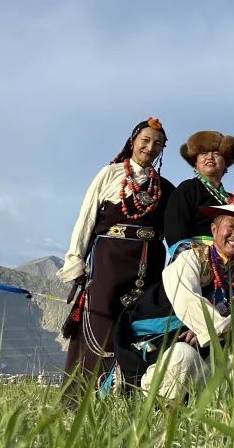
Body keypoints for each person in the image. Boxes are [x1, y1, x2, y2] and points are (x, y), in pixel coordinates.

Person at [58, 117, 174, 401]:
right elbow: (86, 217)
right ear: (132, 141)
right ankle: (84, 398)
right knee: (101, 323)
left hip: (148, 264)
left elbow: (173, 231)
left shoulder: (165, 188)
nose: (150, 147)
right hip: (109, 259)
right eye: (145, 140)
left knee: (137, 324)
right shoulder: (110, 174)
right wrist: (75, 259)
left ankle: (127, 395)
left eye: (158, 144)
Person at [114, 204, 234, 401]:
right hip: (163, 343)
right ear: (214, 229)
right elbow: (186, 299)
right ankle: (157, 407)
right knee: (184, 354)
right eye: (231, 226)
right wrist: (225, 331)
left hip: (211, 351)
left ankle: (220, 413)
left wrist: (233, 337)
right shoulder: (191, 258)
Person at [163, 130, 234, 258]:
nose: (210, 157)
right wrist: (188, 257)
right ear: (195, 163)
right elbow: (175, 225)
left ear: (226, 163)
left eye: (217, 153)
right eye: (204, 153)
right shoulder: (188, 188)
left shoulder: (232, 199)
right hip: (194, 257)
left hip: (227, 260)